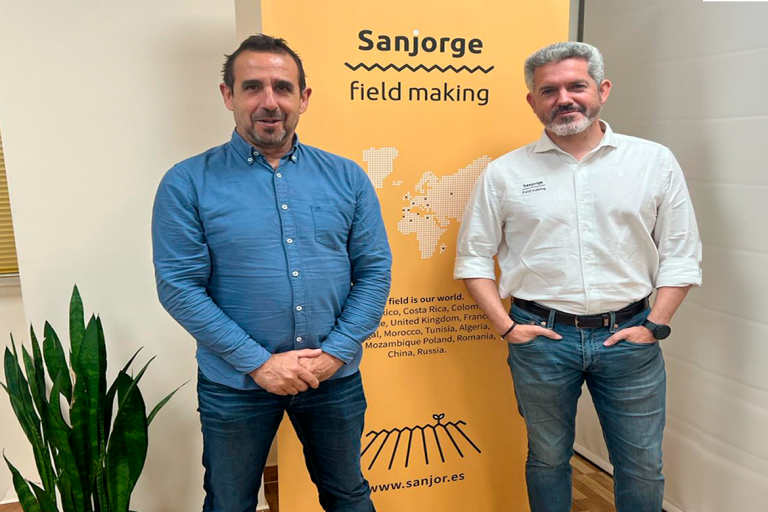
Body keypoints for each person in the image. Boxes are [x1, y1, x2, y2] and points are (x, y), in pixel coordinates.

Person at [454, 42, 701, 512]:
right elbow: (473, 259)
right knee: (547, 459)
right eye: (549, 91)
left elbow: (681, 253)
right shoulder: (504, 174)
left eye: (576, 86)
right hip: (541, 340)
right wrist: (506, 327)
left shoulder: (653, 161)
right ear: (533, 101)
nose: (563, 99)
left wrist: (654, 325)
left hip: (630, 338)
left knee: (642, 465)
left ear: (602, 90)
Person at [152, 34, 390, 512]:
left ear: (303, 98)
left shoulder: (347, 177)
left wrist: (335, 353)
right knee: (230, 502)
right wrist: (259, 363)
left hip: (332, 378)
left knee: (348, 495)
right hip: (235, 383)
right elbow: (179, 287)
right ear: (228, 96)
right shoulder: (187, 182)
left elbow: (374, 271)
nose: (269, 101)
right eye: (252, 87)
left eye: (283, 87)